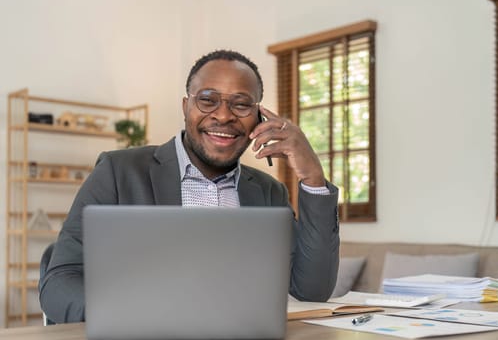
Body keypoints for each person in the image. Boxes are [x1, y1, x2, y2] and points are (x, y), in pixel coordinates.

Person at [39, 49, 340, 323]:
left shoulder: (267, 192)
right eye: (208, 100)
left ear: (258, 117)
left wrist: (312, 177)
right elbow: (59, 282)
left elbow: (311, 290)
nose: (223, 115)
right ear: (186, 106)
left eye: (241, 104)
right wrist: (133, 321)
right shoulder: (119, 172)